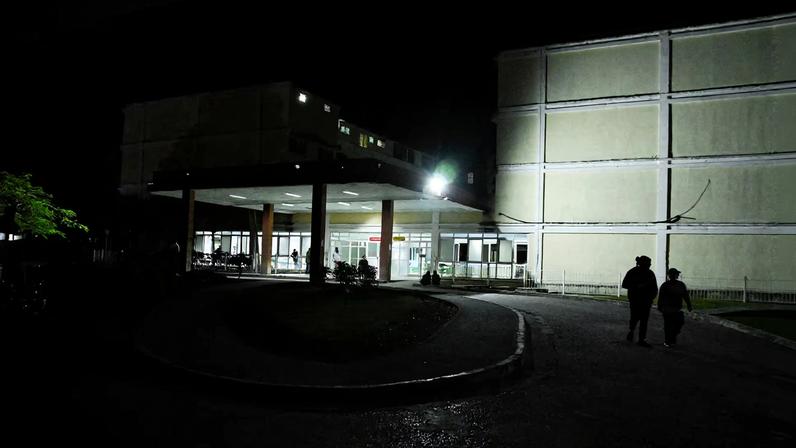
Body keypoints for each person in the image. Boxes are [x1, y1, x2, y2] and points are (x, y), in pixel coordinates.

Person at [622, 255, 658, 347]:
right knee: (637, 318)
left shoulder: (649, 273)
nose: (650, 265)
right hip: (636, 300)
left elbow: (654, 288)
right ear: (643, 263)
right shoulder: (634, 272)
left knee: (643, 320)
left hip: (644, 301)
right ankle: (633, 332)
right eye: (648, 263)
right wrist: (637, 286)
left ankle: (640, 338)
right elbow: (625, 284)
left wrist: (651, 297)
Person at [657, 268, 693, 347]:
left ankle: (672, 336)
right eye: (675, 274)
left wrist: (689, 304)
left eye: (677, 274)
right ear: (670, 275)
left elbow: (685, 295)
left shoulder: (681, 284)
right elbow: (661, 297)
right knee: (668, 325)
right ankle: (667, 340)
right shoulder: (665, 285)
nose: (677, 275)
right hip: (667, 309)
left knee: (679, 322)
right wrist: (660, 306)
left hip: (676, 308)